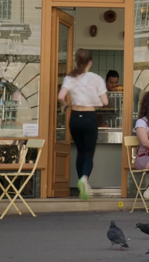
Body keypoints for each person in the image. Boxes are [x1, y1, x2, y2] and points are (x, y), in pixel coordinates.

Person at [57, 49, 108, 200]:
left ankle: (81, 185)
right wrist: (96, 102)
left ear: (76, 61)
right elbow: (105, 102)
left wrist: (66, 105)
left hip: (75, 118)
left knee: (80, 151)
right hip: (89, 117)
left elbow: (60, 96)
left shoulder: (70, 77)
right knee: (88, 153)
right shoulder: (96, 79)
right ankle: (84, 178)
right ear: (90, 62)